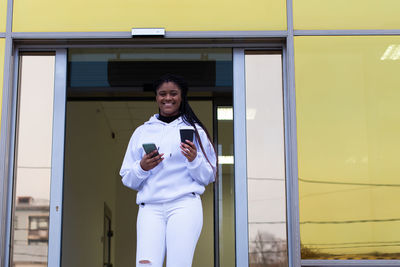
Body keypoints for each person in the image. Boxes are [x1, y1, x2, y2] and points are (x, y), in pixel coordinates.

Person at [119, 74, 217, 267]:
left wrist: (193, 159)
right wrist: (142, 167)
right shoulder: (142, 132)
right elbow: (127, 179)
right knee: (146, 264)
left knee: (178, 264)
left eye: (173, 93)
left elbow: (209, 176)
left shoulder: (195, 130)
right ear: (156, 98)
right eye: (162, 94)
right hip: (150, 209)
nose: (168, 98)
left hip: (184, 205)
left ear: (182, 97)